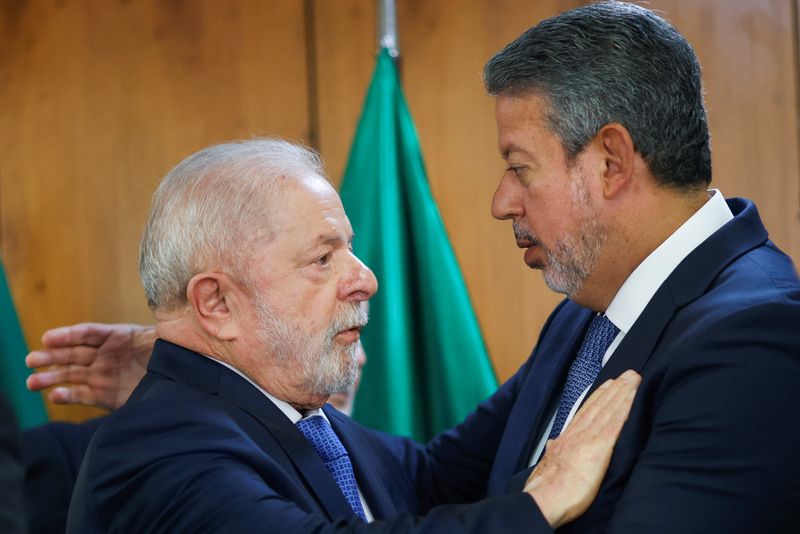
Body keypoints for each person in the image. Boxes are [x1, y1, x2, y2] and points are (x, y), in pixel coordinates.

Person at [28, 2, 800, 531]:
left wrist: (218, 381)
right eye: (323, 255)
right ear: (217, 305)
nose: (501, 201)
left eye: (518, 166)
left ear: (609, 162)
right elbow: (449, 478)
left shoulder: (753, 337)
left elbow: (423, 480)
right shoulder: (590, 320)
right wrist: (211, 379)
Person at [63, 137, 638, 533]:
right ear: (215, 303)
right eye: (321, 258)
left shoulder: (302, 421)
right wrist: (541, 503)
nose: (365, 278)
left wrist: (594, 306)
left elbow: (443, 476)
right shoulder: (157, 450)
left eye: (350, 249)